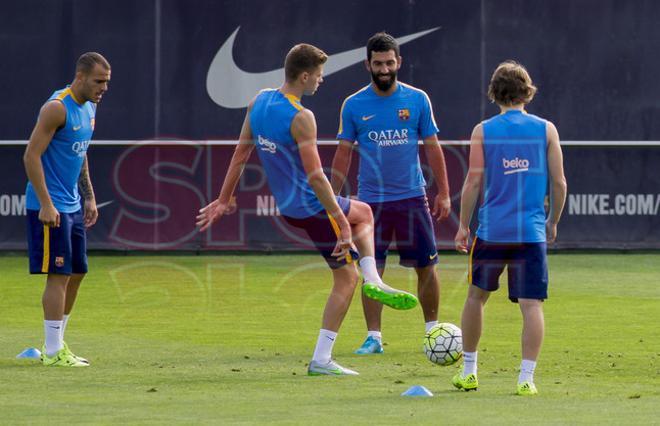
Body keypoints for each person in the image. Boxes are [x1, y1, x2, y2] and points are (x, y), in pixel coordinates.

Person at [196, 44, 418, 376]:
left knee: (365, 213)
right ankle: (322, 359)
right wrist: (341, 222)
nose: (321, 80)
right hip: (311, 206)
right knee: (346, 279)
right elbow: (316, 177)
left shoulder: (259, 101)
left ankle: (375, 281)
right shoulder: (302, 117)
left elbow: (241, 154)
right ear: (304, 76)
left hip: (289, 207)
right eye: (318, 75)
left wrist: (225, 198)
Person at [331, 32, 451, 355]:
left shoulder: (417, 99)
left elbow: (433, 148)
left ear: (399, 62)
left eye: (389, 62)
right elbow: (342, 154)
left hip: (413, 198)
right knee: (372, 271)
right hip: (370, 204)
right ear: (367, 65)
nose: (384, 68)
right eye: (377, 63)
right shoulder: (353, 105)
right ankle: (374, 337)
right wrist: (334, 198)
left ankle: (433, 331)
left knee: (427, 266)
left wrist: (444, 192)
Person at [452, 61, 567, 395]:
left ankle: (470, 372)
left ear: (495, 93)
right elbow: (559, 183)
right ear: (527, 91)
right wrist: (553, 221)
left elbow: (473, 182)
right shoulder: (546, 129)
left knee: (476, 298)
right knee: (532, 306)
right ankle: (526, 379)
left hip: (491, 231)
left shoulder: (483, 130)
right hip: (530, 233)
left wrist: (462, 226)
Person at [24, 52, 111, 367]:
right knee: (58, 274)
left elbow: (81, 151)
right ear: (81, 77)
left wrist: (88, 195)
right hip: (50, 206)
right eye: (99, 81)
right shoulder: (57, 108)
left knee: (77, 273)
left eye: (107, 82)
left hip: (72, 202)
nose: (103, 88)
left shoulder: (89, 108)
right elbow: (31, 156)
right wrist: (46, 204)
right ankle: (51, 352)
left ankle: (59, 344)